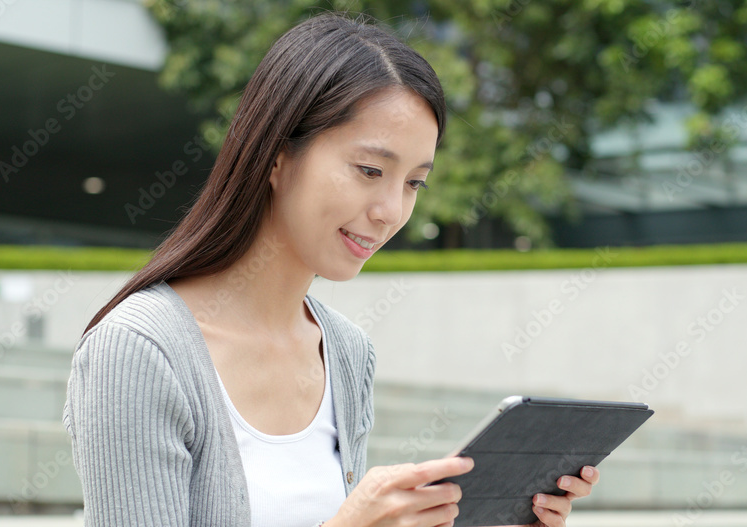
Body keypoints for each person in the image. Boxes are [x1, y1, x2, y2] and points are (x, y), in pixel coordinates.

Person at [62, 12, 600, 527]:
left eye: (414, 182)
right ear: (276, 156)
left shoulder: (345, 351)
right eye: (370, 170)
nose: (391, 210)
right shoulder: (139, 351)